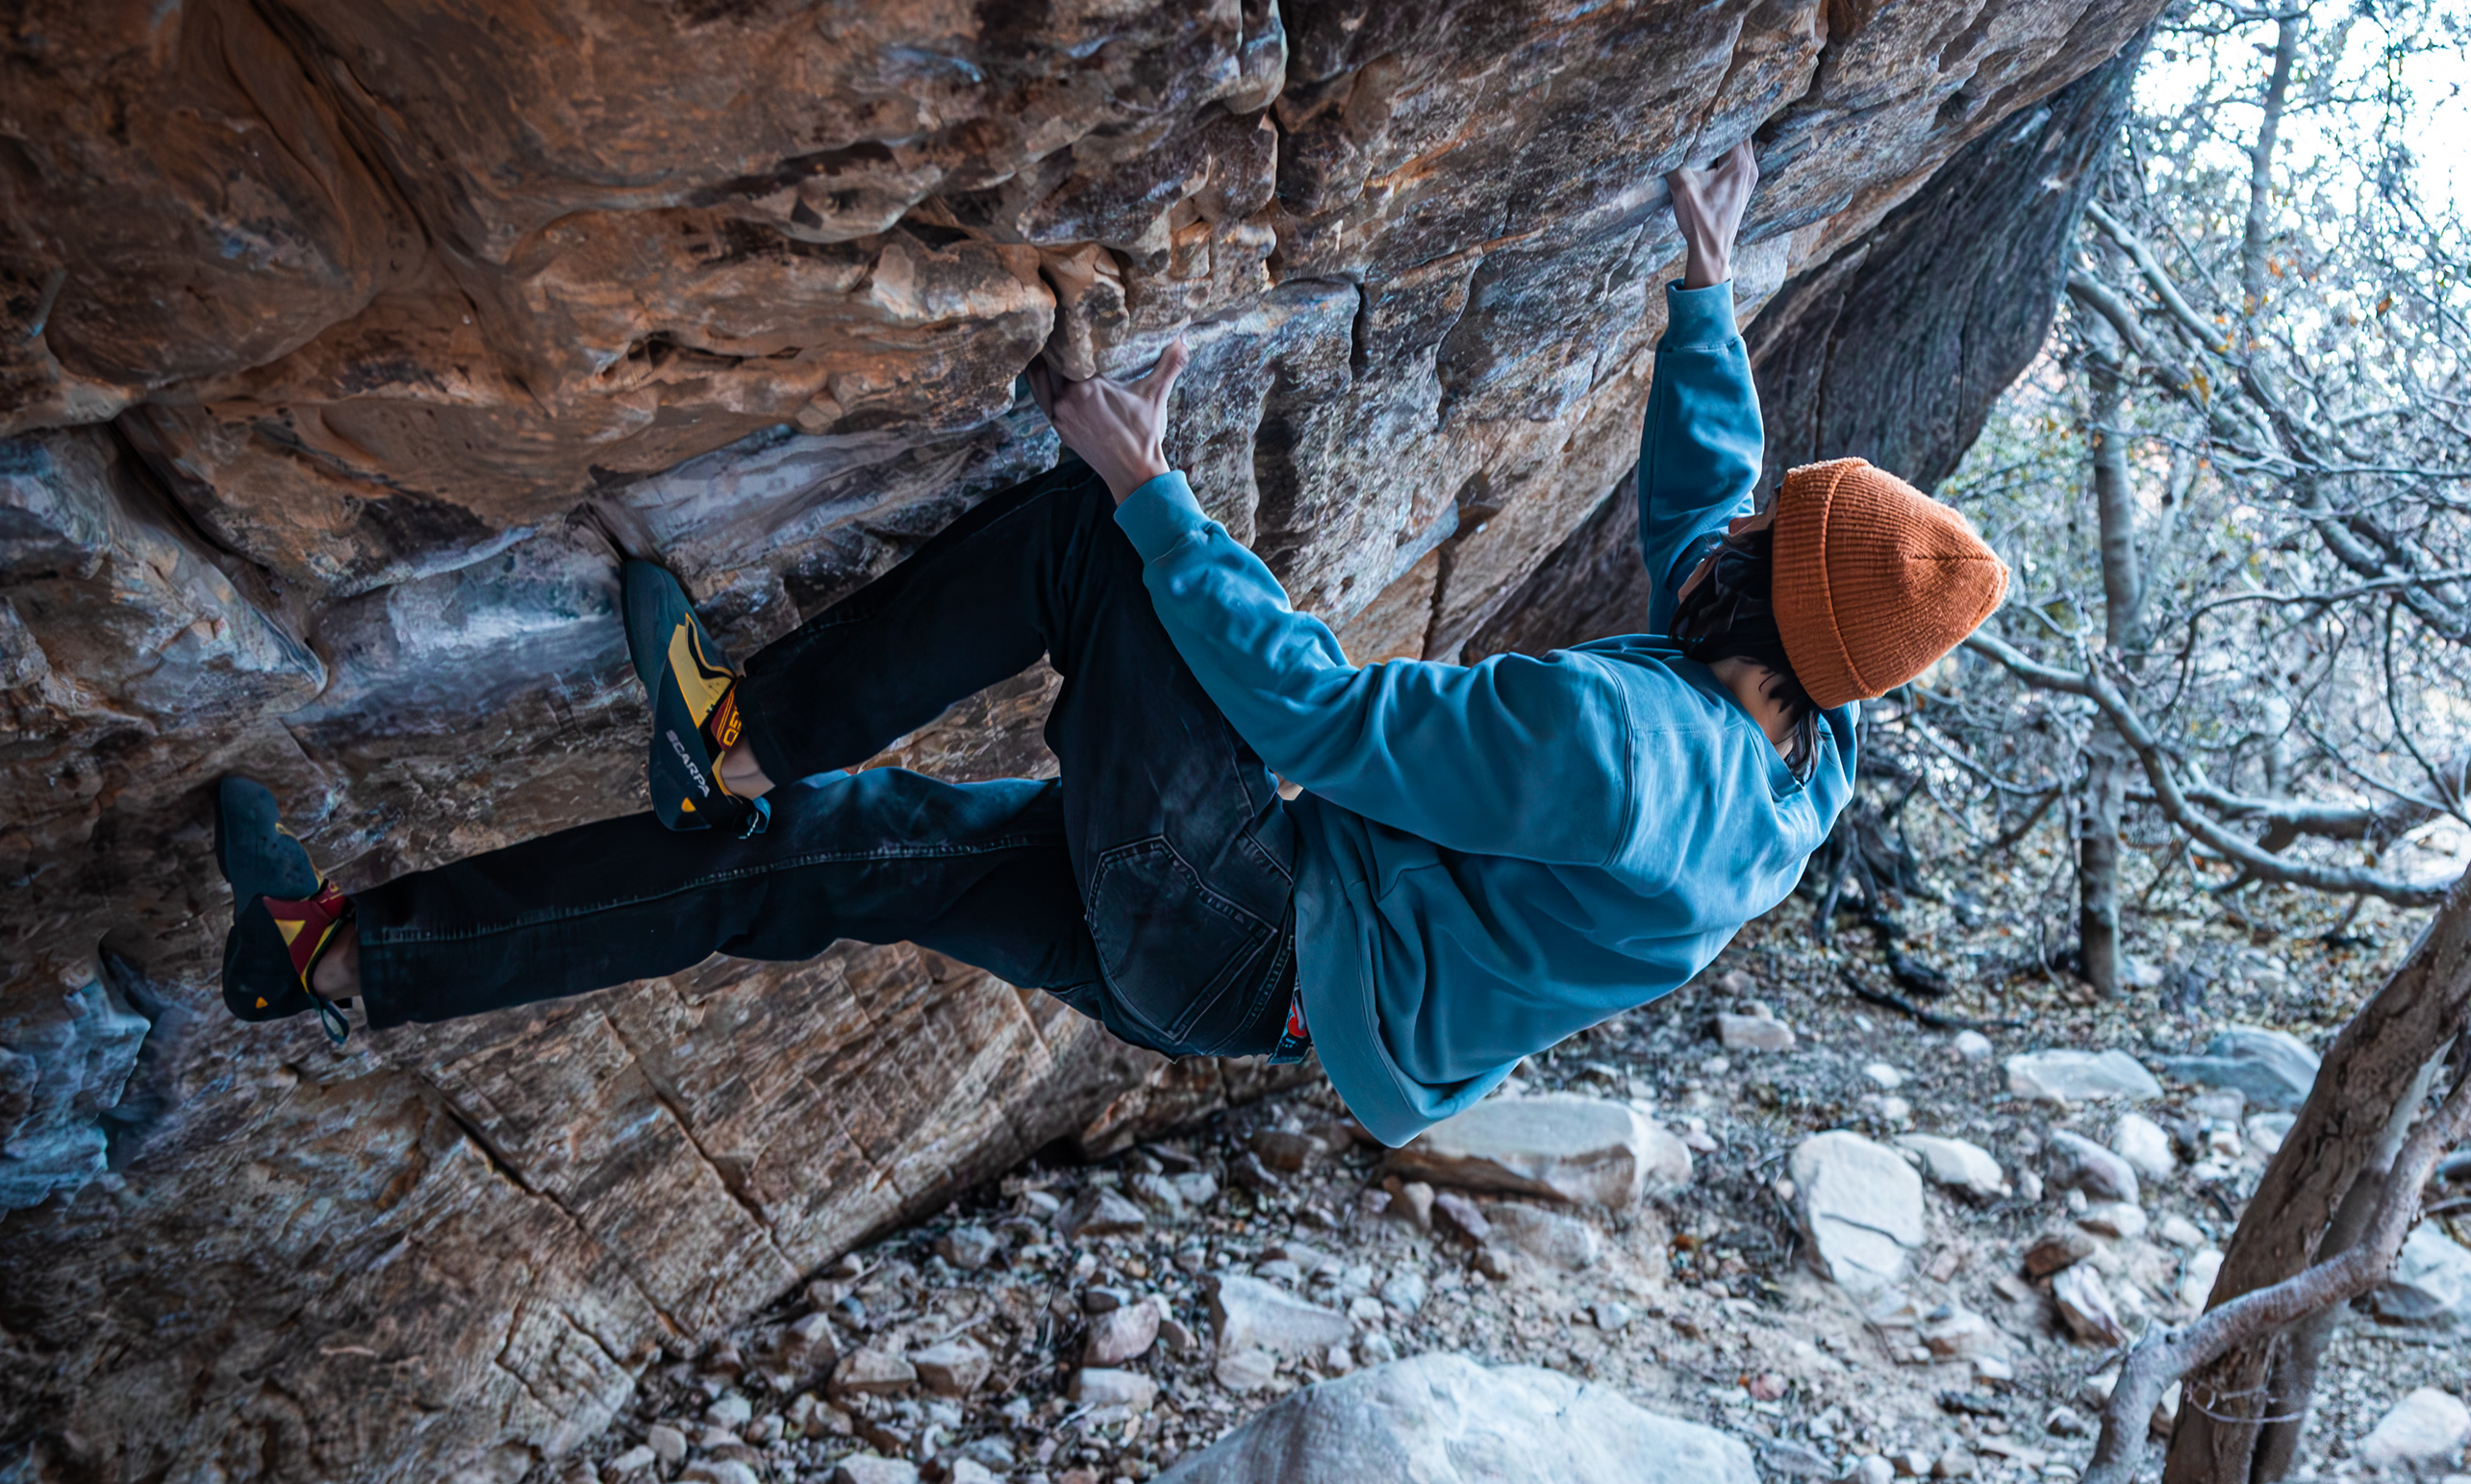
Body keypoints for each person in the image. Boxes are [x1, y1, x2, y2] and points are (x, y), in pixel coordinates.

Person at [212, 142, 2009, 1143]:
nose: (1750, 519)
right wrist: (1708, 299)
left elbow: (1307, 717)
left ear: (1763, 607)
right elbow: (1717, 517)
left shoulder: (1618, 757)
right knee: (836, 860)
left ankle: (737, 735)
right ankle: (344, 957)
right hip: (1266, 973)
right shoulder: (1799, 718)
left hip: (1251, 920)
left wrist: (1155, 496)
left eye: (1777, 534)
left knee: (1093, 543)